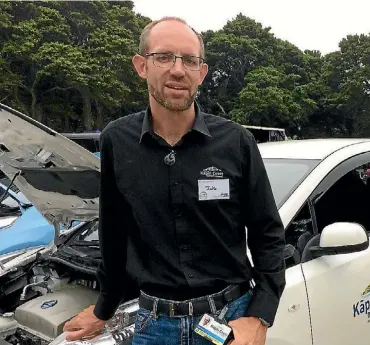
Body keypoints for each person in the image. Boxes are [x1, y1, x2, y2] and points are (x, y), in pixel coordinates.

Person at [62, 17, 286, 345]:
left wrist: (260, 316)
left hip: (229, 320)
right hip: (154, 325)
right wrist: (103, 309)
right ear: (141, 66)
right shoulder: (116, 141)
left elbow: (268, 235)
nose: (178, 71)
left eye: (190, 60)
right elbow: (113, 232)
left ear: (202, 72)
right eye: (164, 57)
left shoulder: (237, 142)